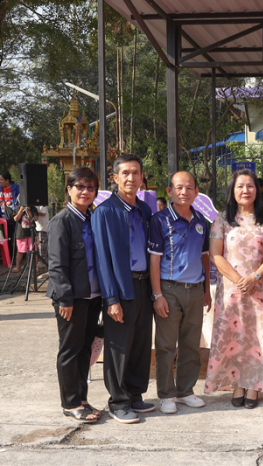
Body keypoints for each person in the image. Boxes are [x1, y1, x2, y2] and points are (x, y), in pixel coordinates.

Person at [204, 168, 263, 409]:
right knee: (235, 337)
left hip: (261, 289)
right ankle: (238, 384)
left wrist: (255, 276)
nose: (245, 190)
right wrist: (239, 279)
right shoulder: (222, 218)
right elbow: (215, 254)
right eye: (240, 186)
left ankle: (256, 386)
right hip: (232, 290)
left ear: (257, 190)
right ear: (232, 191)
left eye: (250, 186)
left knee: (258, 337)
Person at [92, 153, 154, 424]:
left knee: (140, 343)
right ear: (115, 178)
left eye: (136, 173)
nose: (131, 178)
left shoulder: (145, 209)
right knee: (119, 347)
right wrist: (111, 299)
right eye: (125, 173)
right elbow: (102, 260)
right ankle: (118, 402)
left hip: (144, 285)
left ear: (142, 177)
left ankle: (135, 394)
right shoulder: (104, 212)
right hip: (120, 287)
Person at [148, 171, 211, 415]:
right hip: (169, 289)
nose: (184, 192)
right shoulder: (160, 220)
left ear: (197, 192)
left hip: (195, 290)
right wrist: (157, 294)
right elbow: (154, 260)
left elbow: (205, 257)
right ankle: (166, 394)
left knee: (191, 344)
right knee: (165, 345)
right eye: (179, 188)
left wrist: (206, 290)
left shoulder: (201, 221)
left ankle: (185, 391)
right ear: (170, 191)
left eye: (189, 187)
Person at [47, 167, 102, 423]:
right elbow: (57, 265)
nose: (85, 192)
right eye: (80, 186)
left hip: (93, 297)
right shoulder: (62, 221)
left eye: (90, 187)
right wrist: (65, 298)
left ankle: (82, 398)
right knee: (69, 350)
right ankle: (70, 403)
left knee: (83, 350)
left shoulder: (91, 218)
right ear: (68, 189)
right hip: (73, 299)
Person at [12, 201, 38, 273]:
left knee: (33, 250)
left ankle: (34, 267)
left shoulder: (33, 208)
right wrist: (21, 210)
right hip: (21, 233)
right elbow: (15, 219)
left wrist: (28, 211)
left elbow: (35, 219)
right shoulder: (17, 208)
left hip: (31, 233)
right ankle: (17, 267)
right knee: (20, 251)